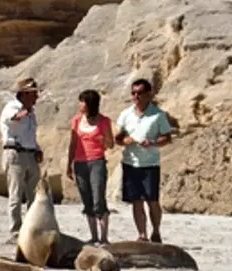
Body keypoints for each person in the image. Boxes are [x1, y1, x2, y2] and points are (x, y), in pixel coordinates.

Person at [115, 78, 173, 243]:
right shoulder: (125, 114)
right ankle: (142, 234)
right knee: (136, 201)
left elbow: (167, 137)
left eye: (139, 93)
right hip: (130, 162)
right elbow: (118, 137)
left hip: (150, 163)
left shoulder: (158, 115)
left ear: (149, 95)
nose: (136, 96)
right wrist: (124, 140)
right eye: (133, 93)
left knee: (152, 200)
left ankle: (156, 230)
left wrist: (153, 143)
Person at [64, 88, 113, 245]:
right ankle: (93, 236)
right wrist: (69, 164)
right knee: (87, 199)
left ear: (90, 103)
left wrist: (102, 139)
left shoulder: (104, 121)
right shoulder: (77, 121)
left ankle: (104, 237)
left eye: (82, 101)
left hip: (97, 161)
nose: (80, 105)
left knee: (98, 197)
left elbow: (110, 144)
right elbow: (72, 144)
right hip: (80, 163)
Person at [0, 76, 43, 240]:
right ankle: (15, 230)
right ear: (24, 94)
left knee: (33, 194)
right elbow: (14, 119)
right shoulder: (12, 107)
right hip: (15, 154)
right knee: (16, 195)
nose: (36, 97)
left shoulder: (31, 113)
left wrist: (37, 148)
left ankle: (31, 227)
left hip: (29, 153)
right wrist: (26, 111)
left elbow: (29, 135)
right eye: (33, 94)